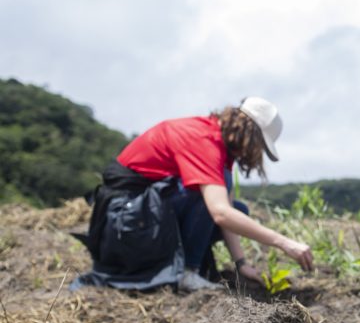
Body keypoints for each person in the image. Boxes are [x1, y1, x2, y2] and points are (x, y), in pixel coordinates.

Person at [75, 97, 314, 291]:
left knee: (238, 210)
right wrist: (284, 243)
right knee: (206, 196)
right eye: (258, 146)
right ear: (249, 133)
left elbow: (227, 210)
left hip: (142, 214)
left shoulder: (220, 146)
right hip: (123, 221)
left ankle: (187, 267)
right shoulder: (204, 141)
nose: (255, 154)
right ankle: (186, 273)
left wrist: (241, 264)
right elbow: (219, 213)